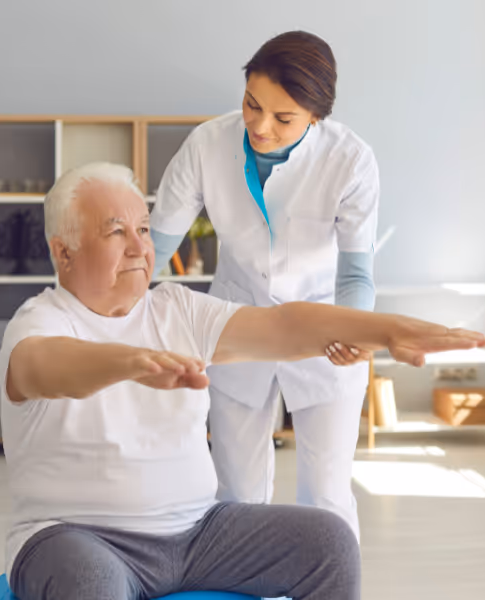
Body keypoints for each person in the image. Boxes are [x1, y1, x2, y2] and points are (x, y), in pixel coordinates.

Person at [0, 162, 485, 600]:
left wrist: (389, 330)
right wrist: (131, 362)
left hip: (197, 533)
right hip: (76, 536)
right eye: (116, 232)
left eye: (144, 229)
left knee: (328, 543)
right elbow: (47, 367)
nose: (139, 247)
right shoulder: (39, 322)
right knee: (92, 585)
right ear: (63, 252)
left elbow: (284, 326)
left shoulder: (177, 308)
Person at [150, 30, 379, 541]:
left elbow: (357, 271)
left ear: (316, 117)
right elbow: (155, 247)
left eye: (283, 118)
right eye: (252, 105)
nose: (260, 126)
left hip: (322, 327)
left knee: (327, 497)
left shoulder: (351, 160)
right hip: (238, 320)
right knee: (236, 493)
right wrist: (114, 319)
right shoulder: (208, 144)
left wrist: (356, 331)